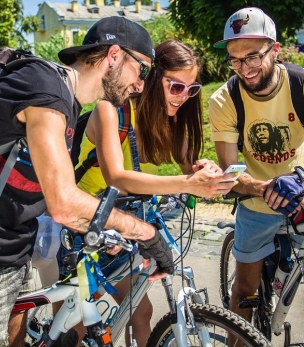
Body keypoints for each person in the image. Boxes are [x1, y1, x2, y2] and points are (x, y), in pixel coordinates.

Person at [0, 16, 176, 347]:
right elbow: (64, 202)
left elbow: (47, 188)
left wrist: (106, 231)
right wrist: (142, 231)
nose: (142, 84)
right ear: (115, 56)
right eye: (143, 70)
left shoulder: (67, 101)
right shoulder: (45, 90)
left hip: (15, 250)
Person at [38, 39, 232, 347]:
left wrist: (203, 170)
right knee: (74, 328)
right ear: (153, 78)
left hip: (121, 232)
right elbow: (118, 177)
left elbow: (189, 166)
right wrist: (186, 182)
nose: (183, 97)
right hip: (79, 230)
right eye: (176, 86)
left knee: (140, 312)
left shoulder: (167, 123)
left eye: (191, 89)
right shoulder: (110, 111)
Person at [208, 7, 304, 325]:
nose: (244, 68)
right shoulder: (225, 100)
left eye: (252, 57)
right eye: (235, 59)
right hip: (256, 205)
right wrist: (264, 187)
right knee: (245, 290)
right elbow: (230, 171)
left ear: (275, 50)